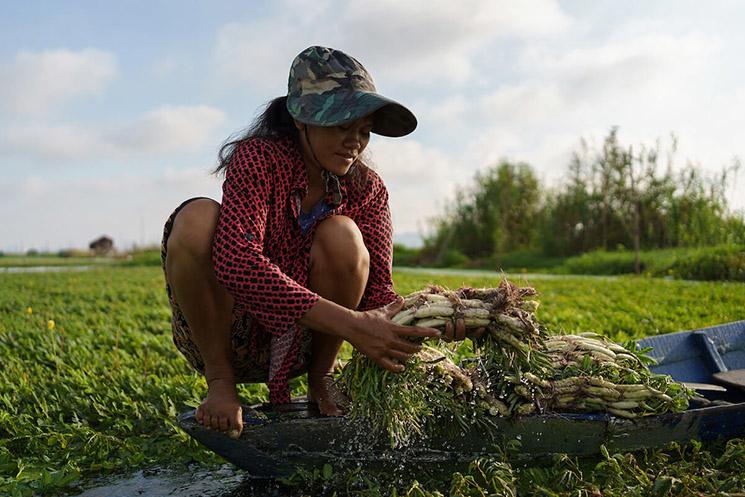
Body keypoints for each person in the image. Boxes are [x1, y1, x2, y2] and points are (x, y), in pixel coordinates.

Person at [160, 46, 468, 438]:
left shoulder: (367, 188)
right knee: (196, 219)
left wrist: (440, 319)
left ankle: (322, 380)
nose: (354, 142)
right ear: (301, 119)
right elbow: (238, 261)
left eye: (363, 130)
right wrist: (353, 324)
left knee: (343, 234)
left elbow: (378, 295)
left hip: (307, 345)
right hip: (230, 335)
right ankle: (221, 385)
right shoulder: (258, 159)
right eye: (342, 126)